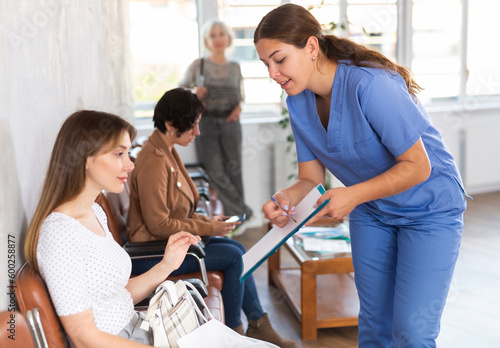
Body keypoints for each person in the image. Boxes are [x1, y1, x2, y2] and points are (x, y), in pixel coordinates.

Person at [255, 4, 469, 348]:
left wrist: (353, 195)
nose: (272, 73)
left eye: (279, 60)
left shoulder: (371, 85)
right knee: (373, 325)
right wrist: (286, 198)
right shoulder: (296, 101)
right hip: (373, 211)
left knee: (412, 333)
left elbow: (418, 165)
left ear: (311, 47)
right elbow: (310, 177)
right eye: (265, 64)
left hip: (429, 211)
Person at [126, 88, 296, 348]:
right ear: (171, 124)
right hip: (152, 252)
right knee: (234, 257)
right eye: (193, 126)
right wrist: (210, 226)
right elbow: (158, 224)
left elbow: (176, 210)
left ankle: (258, 325)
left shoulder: (167, 150)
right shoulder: (154, 161)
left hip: (170, 242)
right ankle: (233, 333)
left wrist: (212, 222)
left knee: (237, 248)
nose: (198, 132)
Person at [24, 110, 201, 347]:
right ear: (85, 158)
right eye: (119, 154)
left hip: (137, 329)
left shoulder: (94, 212)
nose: (129, 165)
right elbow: (83, 337)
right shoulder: (59, 233)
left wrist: (167, 265)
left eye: (128, 153)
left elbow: (116, 295)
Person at [179, 18, 253, 231]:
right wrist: (194, 93)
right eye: (213, 35)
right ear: (206, 40)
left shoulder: (235, 67)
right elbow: (180, 89)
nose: (218, 39)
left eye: (221, 34)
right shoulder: (199, 65)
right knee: (214, 170)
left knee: (234, 169)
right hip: (206, 123)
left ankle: (236, 220)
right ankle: (241, 212)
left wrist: (238, 109)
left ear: (228, 38)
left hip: (231, 123)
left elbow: (240, 96)